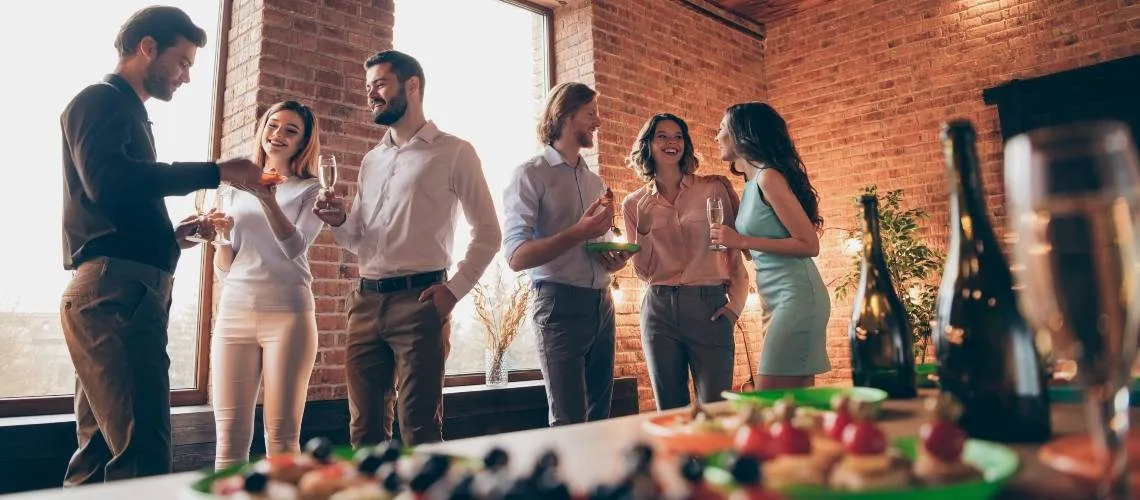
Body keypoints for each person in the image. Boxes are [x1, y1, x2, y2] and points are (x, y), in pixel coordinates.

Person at [59, 5, 261, 485]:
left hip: (120, 293)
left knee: (100, 451)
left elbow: (114, 206)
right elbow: (109, 182)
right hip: (117, 297)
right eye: (184, 61)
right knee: (145, 458)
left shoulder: (125, 111)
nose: (187, 76)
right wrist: (218, 170)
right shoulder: (100, 100)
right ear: (148, 48)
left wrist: (173, 238)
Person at [313, 50, 501, 446]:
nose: (371, 96)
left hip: (420, 303)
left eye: (380, 84)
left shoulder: (455, 151)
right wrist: (339, 222)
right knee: (363, 431)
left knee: (418, 427)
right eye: (368, 88)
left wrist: (454, 290)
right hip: (363, 303)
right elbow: (356, 240)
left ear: (412, 85)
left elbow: (487, 232)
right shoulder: (371, 160)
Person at [501, 82, 630, 426]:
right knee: (569, 421)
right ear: (566, 114)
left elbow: (601, 239)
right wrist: (578, 233)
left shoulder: (596, 183)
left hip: (602, 304)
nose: (597, 122)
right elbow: (515, 256)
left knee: (600, 417)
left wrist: (615, 258)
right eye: (591, 114)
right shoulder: (529, 175)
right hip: (557, 304)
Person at [207, 100, 325, 469]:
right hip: (235, 314)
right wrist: (221, 239)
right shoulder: (234, 188)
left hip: (288, 317)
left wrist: (266, 198)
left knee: (283, 439)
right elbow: (226, 269)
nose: (278, 135)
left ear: (303, 142)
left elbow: (294, 247)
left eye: (290, 130)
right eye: (273, 126)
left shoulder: (310, 189)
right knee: (229, 441)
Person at [621, 113, 748, 410]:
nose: (671, 142)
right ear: (648, 145)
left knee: (716, 409)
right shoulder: (633, 204)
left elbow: (735, 253)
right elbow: (643, 271)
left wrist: (734, 309)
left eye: (678, 136)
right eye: (662, 136)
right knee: (671, 411)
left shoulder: (713, 189)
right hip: (658, 310)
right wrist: (643, 229)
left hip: (709, 305)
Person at [710, 102, 831, 390]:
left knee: (768, 397)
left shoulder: (768, 177)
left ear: (742, 135)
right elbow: (758, 252)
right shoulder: (751, 183)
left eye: (722, 129)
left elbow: (809, 243)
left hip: (796, 295)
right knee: (795, 405)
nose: (716, 136)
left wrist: (741, 240)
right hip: (773, 298)